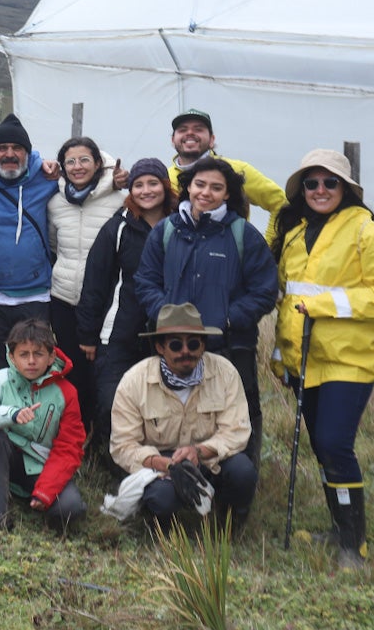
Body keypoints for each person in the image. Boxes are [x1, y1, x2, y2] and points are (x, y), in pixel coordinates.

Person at [272, 149, 374, 568]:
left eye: (329, 183)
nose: (319, 190)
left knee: (335, 442)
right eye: (311, 183)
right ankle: (337, 528)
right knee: (322, 446)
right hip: (306, 359)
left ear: (347, 189)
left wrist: (330, 305)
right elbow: (290, 300)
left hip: (351, 359)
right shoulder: (295, 235)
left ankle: (355, 545)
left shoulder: (370, 233)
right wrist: (282, 357)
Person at [134, 157, 277, 465]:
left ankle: (240, 479)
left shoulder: (243, 235)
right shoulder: (166, 231)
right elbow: (145, 280)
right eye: (199, 185)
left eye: (216, 188)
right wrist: (165, 316)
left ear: (227, 194)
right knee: (174, 408)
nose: (206, 193)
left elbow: (265, 290)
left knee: (239, 410)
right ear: (188, 187)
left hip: (229, 345)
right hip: (174, 345)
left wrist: (227, 318)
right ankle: (172, 476)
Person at [110, 303, 257, 535]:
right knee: (161, 498)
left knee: (243, 471)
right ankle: (160, 524)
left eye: (194, 343)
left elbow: (236, 432)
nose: (185, 351)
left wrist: (198, 452)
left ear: (204, 345)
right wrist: (165, 465)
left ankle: (229, 525)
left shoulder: (226, 373)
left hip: (209, 458)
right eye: (176, 344)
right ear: (160, 347)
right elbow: (123, 446)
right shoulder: (133, 382)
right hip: (160, 462)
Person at [77, 157, 178, 445]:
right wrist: (87, 334)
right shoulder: (118, 228)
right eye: (138, 185)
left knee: (159, 403)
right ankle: (108, 456)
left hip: (168, 330)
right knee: (112, 400)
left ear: (165, 186)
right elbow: (95, 281)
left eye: (152, 183)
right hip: (119, 330)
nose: (146, 191)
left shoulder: (180, 226)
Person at [0, 317, 87, 531]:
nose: (31, 361)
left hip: (43, 466)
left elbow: (69, 447)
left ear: (51, 356)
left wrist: (46, 490)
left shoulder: (67, 392)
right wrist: (11, 415)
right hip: (8, 461)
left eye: (38, 354)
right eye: (24, 354)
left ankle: (37, 500)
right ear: (12, 357)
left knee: (70, 510)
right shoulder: (0, 380)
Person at [47, 136, 126, 440]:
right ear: (63, 167)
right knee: (72, 367)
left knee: (101, 370)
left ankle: (102, 433)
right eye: (70, 161)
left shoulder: (119, 200)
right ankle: (76, 432)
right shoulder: (55, 203)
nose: (77, 167)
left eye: (84, 160)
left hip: (104, 301)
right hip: (64, 298)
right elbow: (55, 244)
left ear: (98, 164)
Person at [0, 114, 59, 383]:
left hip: (35, 292)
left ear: (28, 152)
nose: (9, 154)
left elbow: (90, 167)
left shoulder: (47, 178)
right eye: (1, 148)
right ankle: (0, 412)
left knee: (34, 357)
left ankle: (33, 413)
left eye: (17, 148)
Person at [168, 108, 286, 224]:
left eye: (198, 129)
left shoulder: (238, 170)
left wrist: (271, 242)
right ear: (173, 140)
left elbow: (281, 203)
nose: (190, 133)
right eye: (183, 129)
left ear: (212, 140)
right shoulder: (164, 177)